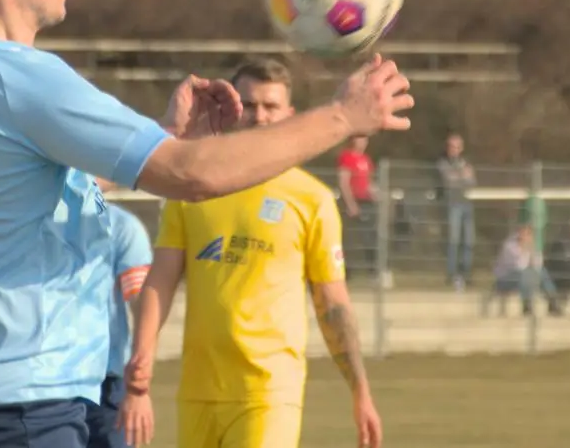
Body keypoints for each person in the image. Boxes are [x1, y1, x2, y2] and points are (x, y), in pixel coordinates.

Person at [0, 0, 414, 448]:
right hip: (17, 398)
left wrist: (164, 132)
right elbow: (191, 176)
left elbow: (20, 190)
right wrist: (343, 116)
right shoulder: (23, 78)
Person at [117, 58, 383, 448]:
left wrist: (360, 391)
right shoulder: (193, 188)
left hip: (269, 393)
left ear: (290, 114)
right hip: (199, 392)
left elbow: (333, 303)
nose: (261, 116)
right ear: (233, 110)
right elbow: (162, 280)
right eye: (251, 105)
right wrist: (140, 366)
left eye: (271, 107)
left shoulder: (312, 199)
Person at [85, 179, 152, 448]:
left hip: (106, 383)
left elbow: (141, 302)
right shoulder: (32, 225)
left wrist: (138, 385)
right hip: (45, 384)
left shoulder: (121, 227)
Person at [436, 133, 475, 290]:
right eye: (451, 146)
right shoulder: (442, 163)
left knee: (469, 241)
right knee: (453, 240)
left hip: (466, 204)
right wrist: (462, 176)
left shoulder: (466, 163)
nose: (454, 150)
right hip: (452, 204)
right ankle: (452, 274)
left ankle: (466, 273)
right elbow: (449, 181)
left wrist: (461, 177)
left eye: (457, 147)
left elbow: (472, 182)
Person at [336, 136, 377, 278]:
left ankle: (373, 270)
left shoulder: (366, 159)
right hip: (354, 200)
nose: (363, 142)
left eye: (365, 139)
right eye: (360, 139)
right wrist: (350, 203)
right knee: (349, 238)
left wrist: (377, 194)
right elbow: (344, 182)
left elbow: (369, 182)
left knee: (370, 236)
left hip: (366, 201)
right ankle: (347, 271)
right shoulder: (347, 157)